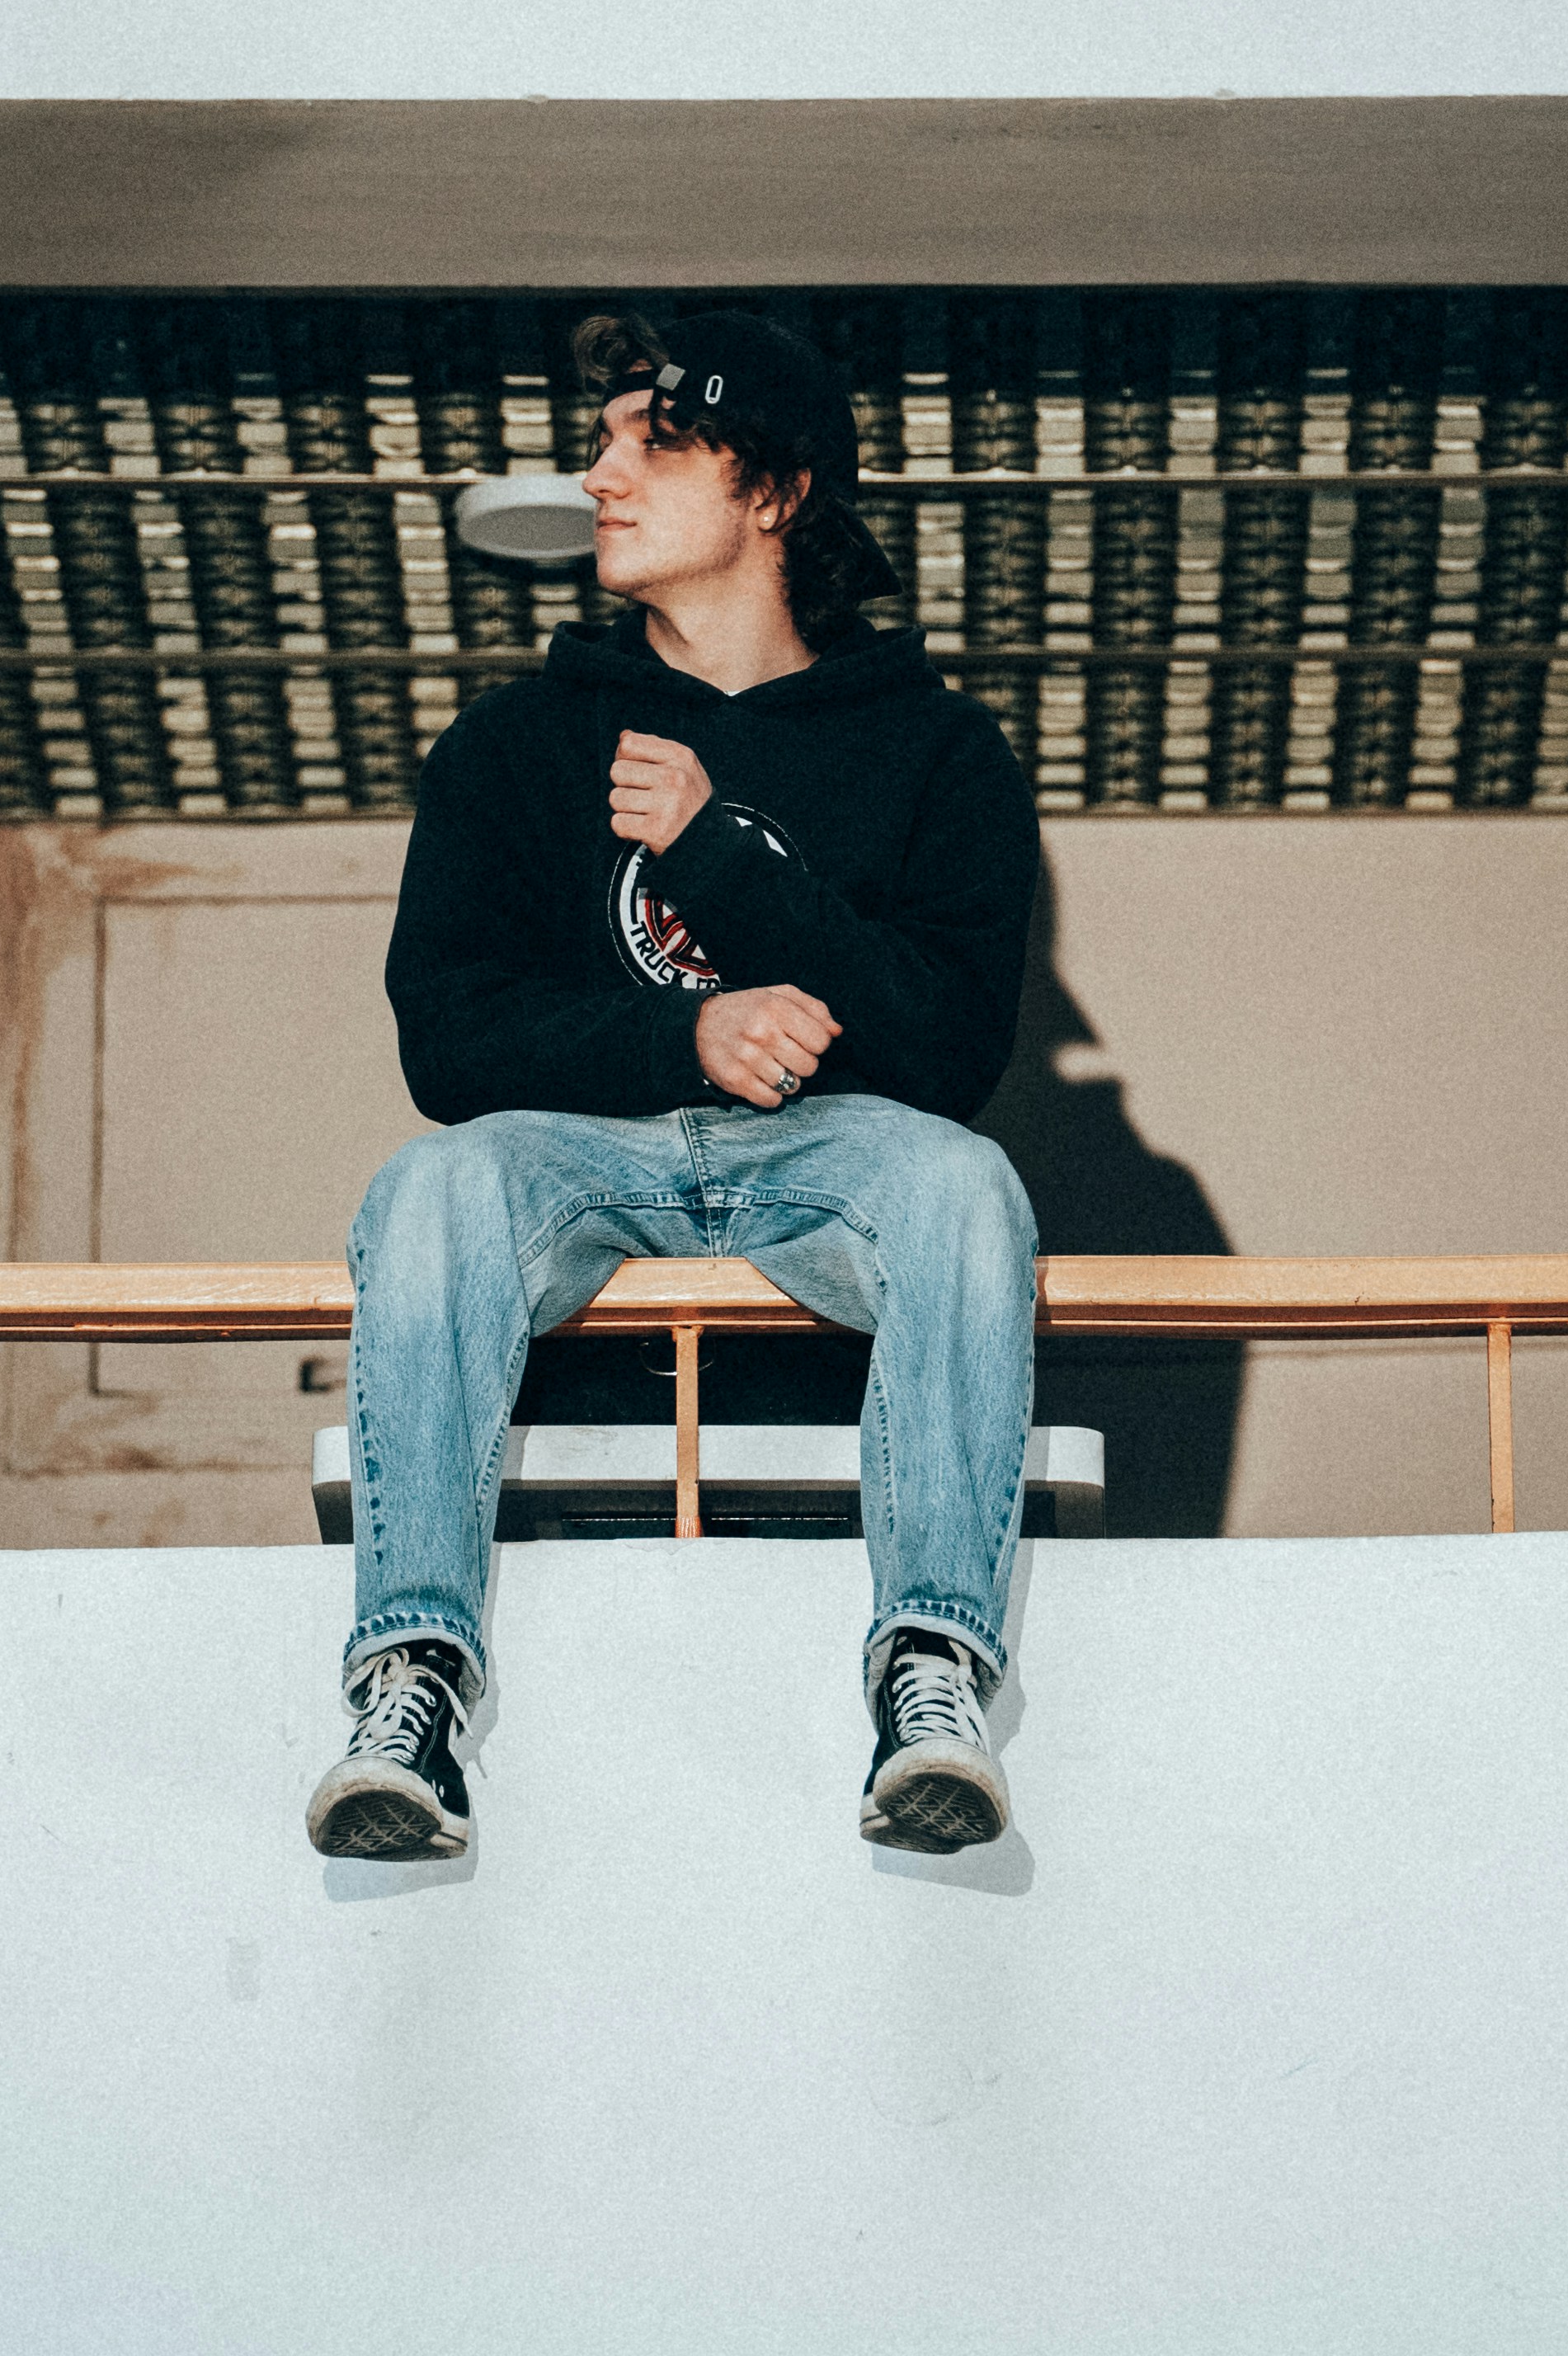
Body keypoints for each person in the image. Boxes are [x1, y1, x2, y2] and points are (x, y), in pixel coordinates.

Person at [305, 308, 1044, 1862]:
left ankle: (930, 1669)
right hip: (585, 1151)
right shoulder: (515, 747)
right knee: (434, 1183)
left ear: (774, 494)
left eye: (653, 444)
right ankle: (412, 1683)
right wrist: (681, 1039)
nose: (600, 479)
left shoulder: (936, 753)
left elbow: (952, 1055)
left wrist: (718, 853)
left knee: (960, 1189)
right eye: (600, 447)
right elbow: (445, 1038)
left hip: (825, 1159)